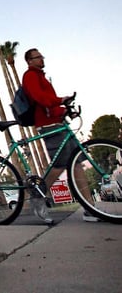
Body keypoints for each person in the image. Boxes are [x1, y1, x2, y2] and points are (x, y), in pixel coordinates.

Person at [22, 48, 100, 223]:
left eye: (42, 56)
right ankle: (37, 195)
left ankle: (90, 208)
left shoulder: (41, 76)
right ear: (29, 61)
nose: (42, 59)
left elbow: (50, 103)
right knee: (60, 165)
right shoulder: (30, 76)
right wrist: (60, 100)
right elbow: (40, 98)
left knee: (77, 164)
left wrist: (65, 111)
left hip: (58, 124)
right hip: (48, 125)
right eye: (38, 57)